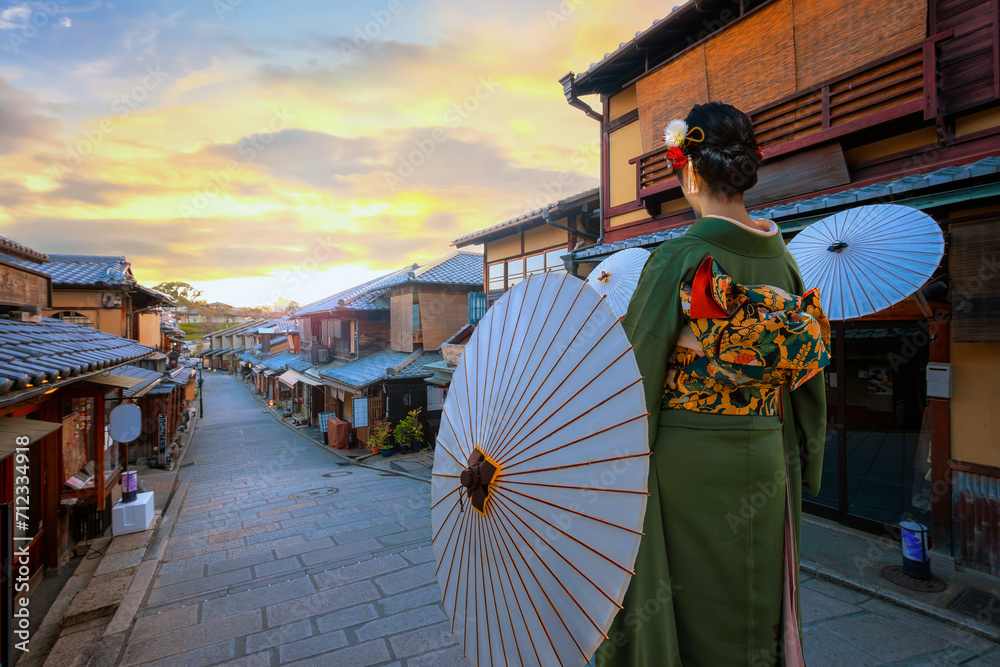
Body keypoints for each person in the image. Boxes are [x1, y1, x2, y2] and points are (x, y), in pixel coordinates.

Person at [596, 102, 829, 666]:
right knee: (754, 603)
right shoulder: (786, 260)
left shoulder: (680, 256)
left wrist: (607, 468)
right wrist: (805, 457)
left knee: (680, 606)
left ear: (692, 171)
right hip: (767, 452)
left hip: (685, 462)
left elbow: (634, 372)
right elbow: (809, 382)